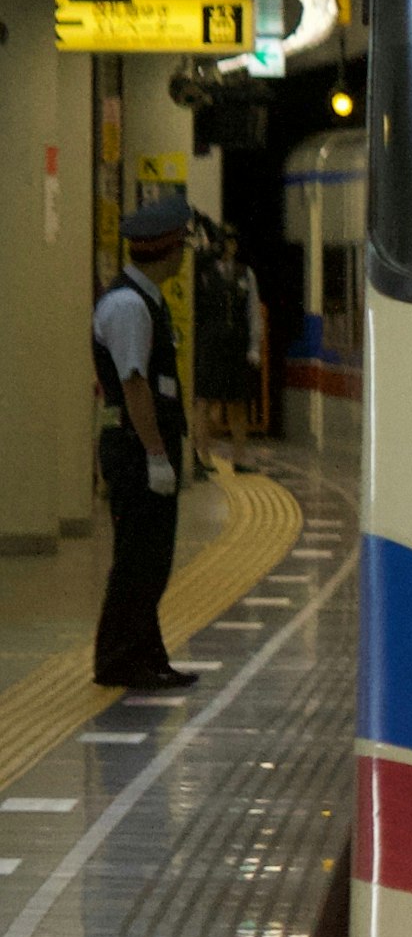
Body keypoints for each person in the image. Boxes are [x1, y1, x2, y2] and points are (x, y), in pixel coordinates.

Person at [91, 194, 197, 692]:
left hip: (145, 446)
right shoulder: (128, 306)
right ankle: (117, 660)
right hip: (136, 448)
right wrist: (156, 454)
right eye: (183, 247)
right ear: (169, 250)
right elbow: (135, 385)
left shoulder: (145, 300)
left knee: (152, 558)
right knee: (138, 558)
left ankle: (146, 654)